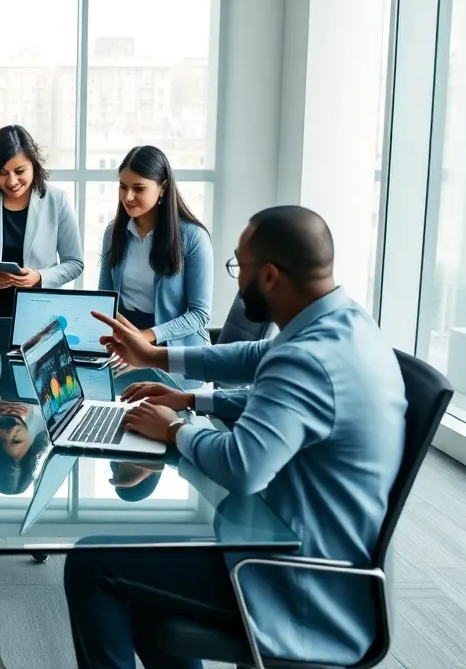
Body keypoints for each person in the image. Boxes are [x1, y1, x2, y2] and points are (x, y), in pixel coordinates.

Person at [66, 206, 407, 668]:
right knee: (142, 576)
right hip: (321, 556)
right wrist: (169, 372)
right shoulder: (345, 323)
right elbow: (257, 358)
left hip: (295, 583)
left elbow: (242, 468)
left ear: (268, 276)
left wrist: (174, 430)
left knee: (91, 565)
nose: (236, 279)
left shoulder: (308, 360)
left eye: (239, 267)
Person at [0, 125, 84, 317]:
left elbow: (74, 263)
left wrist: (40, 277)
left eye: (19, 171)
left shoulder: (57, 199)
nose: (12, 181)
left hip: (42, 311)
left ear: (34, 164)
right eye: (2, 172)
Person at [98, 145, 213, 347]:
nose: (127, 197)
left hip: (177, 344)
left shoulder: (193, 237)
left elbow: (200, 314)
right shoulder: (113, 232)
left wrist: (145, 337)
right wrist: (123, 335)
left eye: (139, 188)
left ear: (163, 187)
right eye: (123, 187)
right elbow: (105, 298)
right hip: (126, 340)